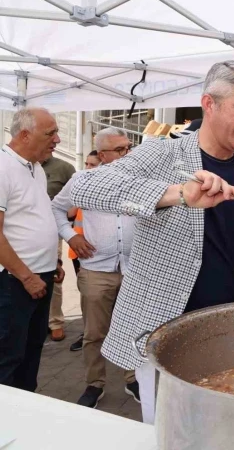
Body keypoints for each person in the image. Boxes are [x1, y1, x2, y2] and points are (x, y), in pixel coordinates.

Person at [70, 60, 234, 424]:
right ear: (209, 104)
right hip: (164, 335)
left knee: (223, 431)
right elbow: (83, 187)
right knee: (169, 433)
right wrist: (177, 193)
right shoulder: (161, 154)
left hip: (229, 336)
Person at [52, 128, 139, 409]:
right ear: (102, 155)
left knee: (133, 329)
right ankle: (94, 384)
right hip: (96, 269)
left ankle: (133, 379)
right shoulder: (83, 180)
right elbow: (56, 208)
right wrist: (71, 236)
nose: (129, 153)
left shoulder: (141, 180)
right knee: (94, 332)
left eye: (129, 147)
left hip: (134, 269)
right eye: (122, 150)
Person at [0, 108, 65, 392]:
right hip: (14, 281)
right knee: (8, 356)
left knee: (31, 350)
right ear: (24, 134)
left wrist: (55, 261)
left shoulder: (35, 168)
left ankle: (26, 412)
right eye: (50, 133)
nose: (58, 139)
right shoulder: (2, 167)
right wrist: (26, 276)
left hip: (40, 274)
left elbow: (34, 217)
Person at [68, 150, 101, 353]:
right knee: (87, 297)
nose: (88, 168)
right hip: (80, 252)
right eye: (87, 164)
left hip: (100, 254)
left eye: (92, 165)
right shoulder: (80, 183)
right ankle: (87, 333)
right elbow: (70, 212)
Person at [42, 152, 76, 342]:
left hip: (52, 232)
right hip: (19, 234)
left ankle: (55, 322)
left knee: (53, 275)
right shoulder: (19, 168)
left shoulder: (63, 168)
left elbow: (74, 199)